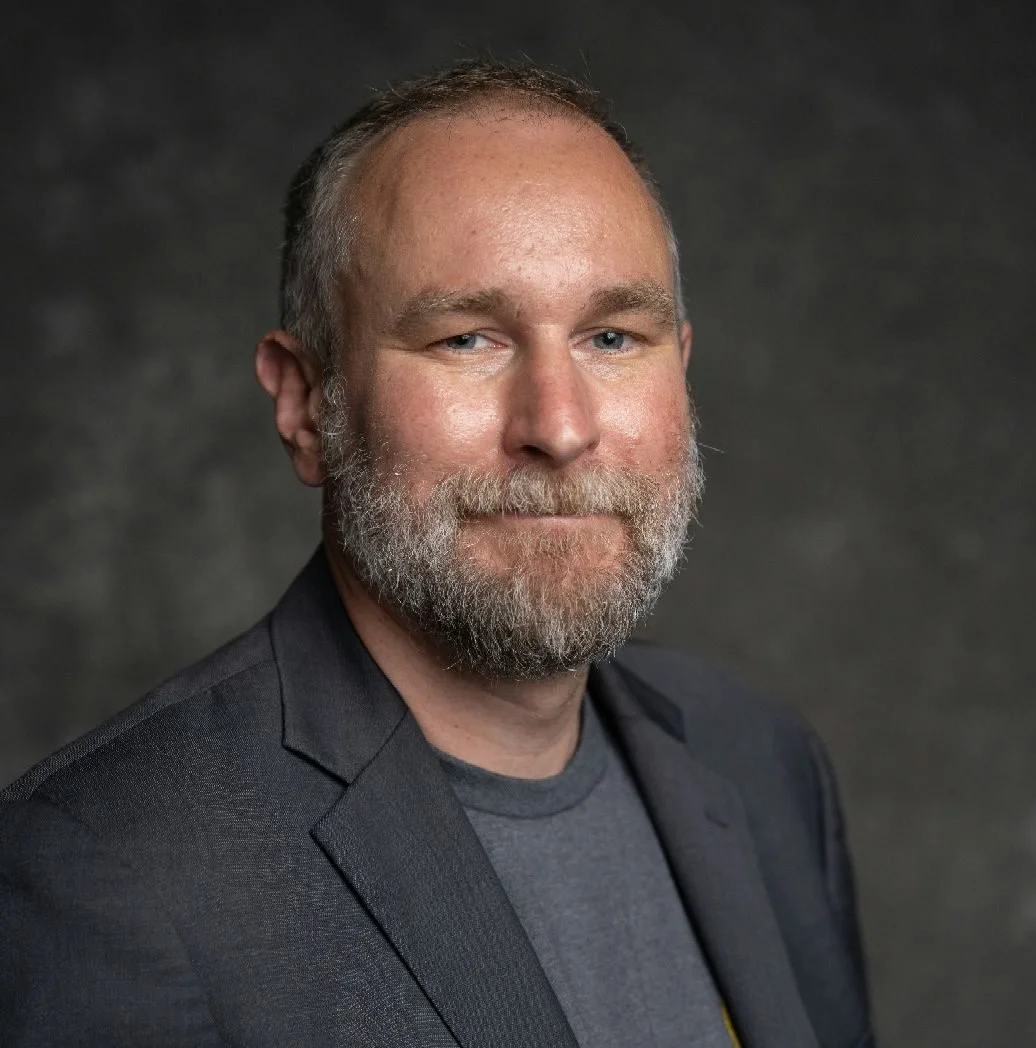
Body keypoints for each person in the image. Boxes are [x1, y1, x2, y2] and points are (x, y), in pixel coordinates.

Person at [0, 60, 874, 1048]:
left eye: (614, 337)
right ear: (305, 404)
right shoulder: (105, 877)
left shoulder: (762, 764)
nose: (558, 425)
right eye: (467, 339)